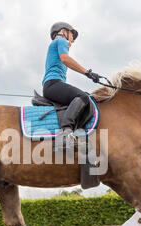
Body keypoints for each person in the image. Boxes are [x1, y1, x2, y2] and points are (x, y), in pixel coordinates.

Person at [42, 22, 101, 151]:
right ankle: (64, 136)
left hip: (51, 85)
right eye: (72, 35)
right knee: (83, 97)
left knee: (82, 96)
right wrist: (88, 73)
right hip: (54, 84)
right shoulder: (61, 41)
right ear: (64, 32)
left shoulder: (54, 45)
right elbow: (65, 59)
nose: (72, 40)